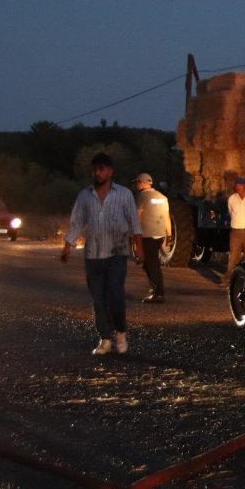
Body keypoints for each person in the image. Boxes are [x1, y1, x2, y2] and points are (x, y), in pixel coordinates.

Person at [61, 152, 143, 355]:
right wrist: (68, 245)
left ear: (110, 171)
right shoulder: (85, 196)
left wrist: (138, 246)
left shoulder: (124, 194)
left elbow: (134, 222)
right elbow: (77, 222)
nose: (98, 173)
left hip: (117, 253)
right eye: (95, 169)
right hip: (93, 255)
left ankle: (121, 332)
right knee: (98, 299)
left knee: (115, 294)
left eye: (102, 169)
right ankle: (105, 338)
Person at [132, 172, 170, 303]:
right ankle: (155, 290)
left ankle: (159, 294)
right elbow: (167, 217)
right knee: (148, 263)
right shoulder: (162, 197)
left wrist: (134, 238)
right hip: (160, 235)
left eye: (137, 182)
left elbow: (137, 217)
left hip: (147, 235)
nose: (136, 185)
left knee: (152, 264)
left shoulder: (142, 196)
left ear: (142, 183)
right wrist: (168, 235)